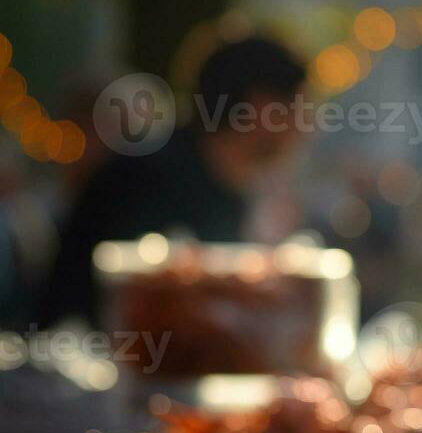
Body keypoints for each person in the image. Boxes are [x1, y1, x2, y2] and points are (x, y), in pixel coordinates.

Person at [34, 36, 309, 327]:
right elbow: (96, 310)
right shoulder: (145, 177)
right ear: (260, 106)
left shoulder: (234, 192)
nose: (306, 126)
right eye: (299, 107)